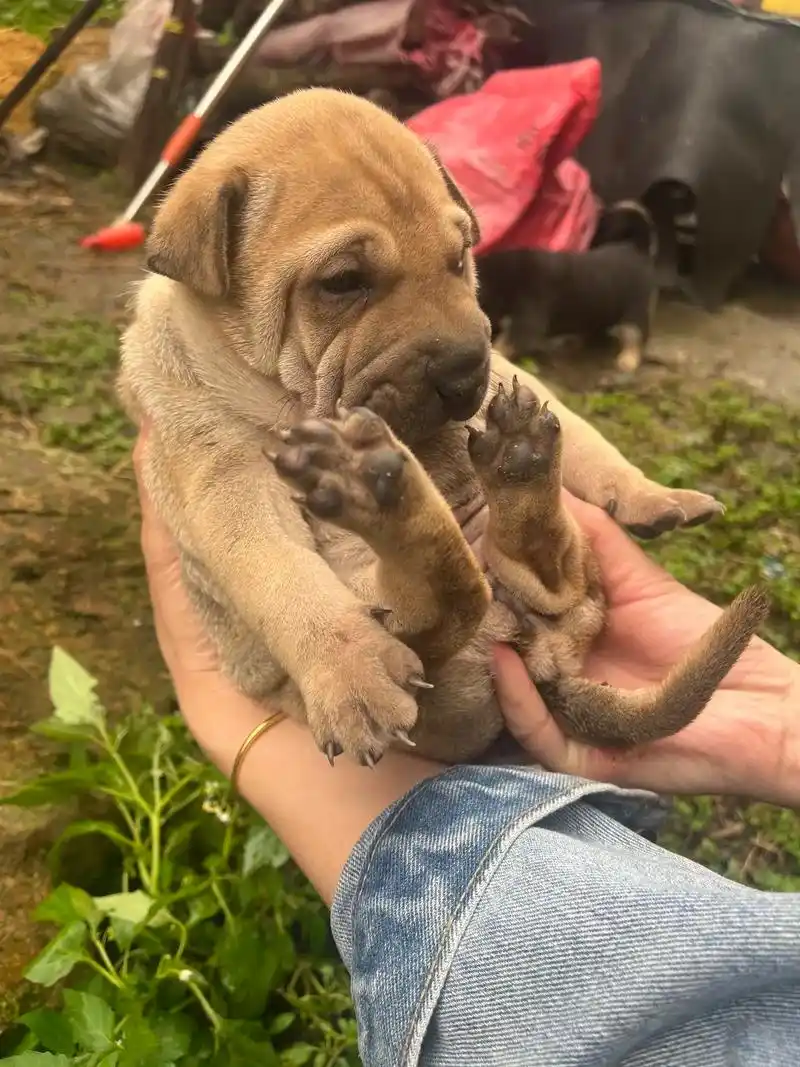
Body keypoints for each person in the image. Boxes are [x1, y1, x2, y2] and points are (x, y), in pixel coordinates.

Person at [133, 430, 800, 1067]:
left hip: (462, 668)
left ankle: (389, 803)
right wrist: (782, 725)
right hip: (515, 638)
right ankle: (472, 556)